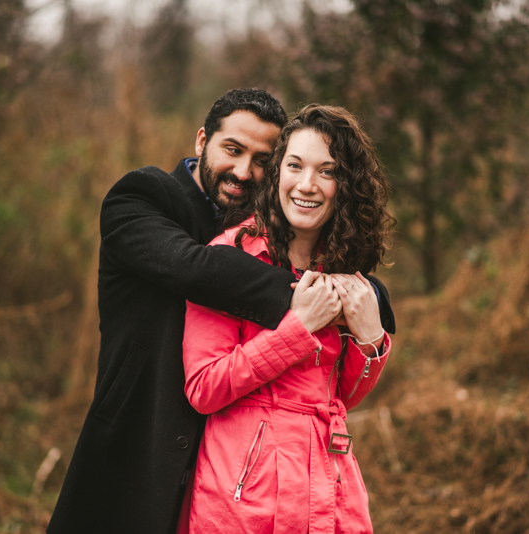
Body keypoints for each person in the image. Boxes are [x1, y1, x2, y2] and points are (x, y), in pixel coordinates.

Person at [47, 90, 396, 534]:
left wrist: (366, 308)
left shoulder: (273, 223)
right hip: (142, 440)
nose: (243, 171)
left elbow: (336, 381)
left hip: (234, 459)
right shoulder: (142, 199)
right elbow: (195, 268)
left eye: (262, 160)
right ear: (201, 141)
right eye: (232, 150)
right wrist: (315, 302)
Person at [182, 104, 395, 533]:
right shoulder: (229, 256)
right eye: (295, 165)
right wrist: (296, 330)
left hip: (330, 489)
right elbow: (203, 388)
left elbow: (343, 396)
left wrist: (372, 341)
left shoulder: (343, 267)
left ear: (346, 186)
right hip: (244, 497)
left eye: (327, 171)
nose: (307, 185)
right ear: (277, 172)